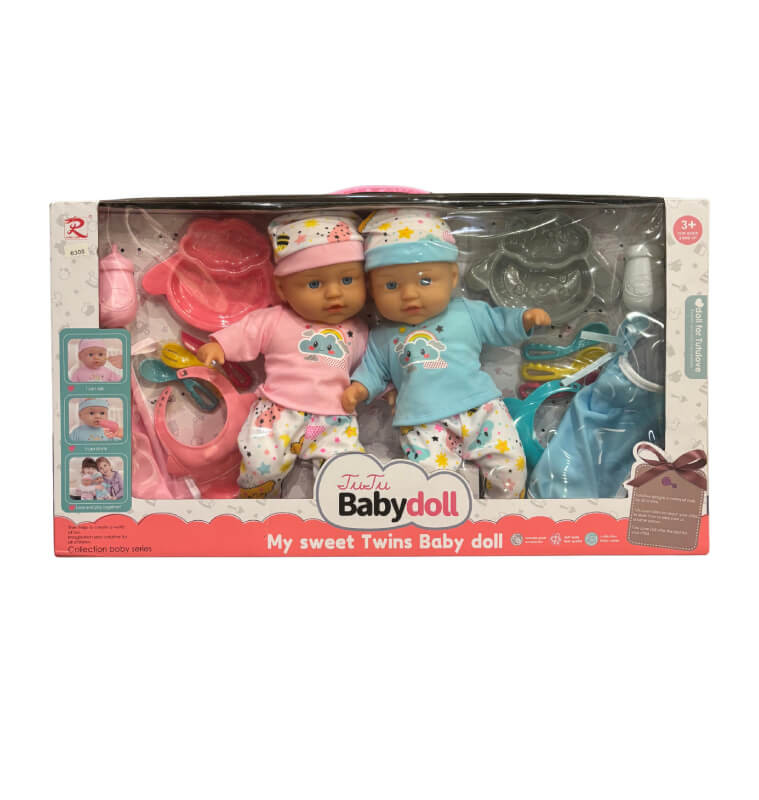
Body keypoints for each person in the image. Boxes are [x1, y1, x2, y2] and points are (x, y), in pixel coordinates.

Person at [342, 208, 550, 499]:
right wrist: (359, 388)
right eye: (391, 285)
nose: (409, 295)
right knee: (432, 483)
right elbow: (374, 370)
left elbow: (499, 324)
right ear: (372, 291)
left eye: (425, 281)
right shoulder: (382, 335)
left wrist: (524, 320)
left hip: (481, 408)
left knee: (509, 468)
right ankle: (448, 522)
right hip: (422, 422)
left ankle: (503, 515)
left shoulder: (466, 312)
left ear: (452, 277)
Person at [197, 213, 369, 498]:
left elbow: (372, 370)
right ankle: (257, 506)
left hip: (334, 420)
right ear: (282, 288)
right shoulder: (275, 319)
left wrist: (383, 387)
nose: (334, 293)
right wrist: (220, 347)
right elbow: (245, 332)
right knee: (260, 462)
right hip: (277, 414)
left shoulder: (358, 331)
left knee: (347, 472)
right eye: (314, 284)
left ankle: (341, 514)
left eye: (348, 279)